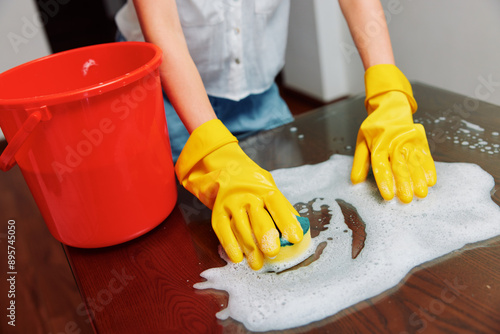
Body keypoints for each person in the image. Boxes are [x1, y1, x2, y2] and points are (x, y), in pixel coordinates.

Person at [115, 0, 437, 270]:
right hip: (161, 96)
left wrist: (387, 90)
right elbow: (163, 28)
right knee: (175, 243)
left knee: (283, 205)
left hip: (258, 93)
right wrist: (212, 149)